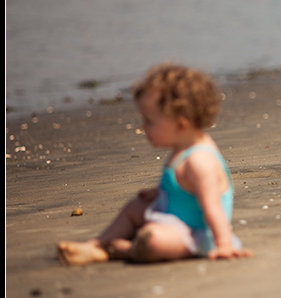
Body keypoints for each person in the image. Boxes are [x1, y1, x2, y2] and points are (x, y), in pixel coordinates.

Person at [57, 63, 252, 265]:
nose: (143, 128)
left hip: (195, 233)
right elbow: (186, 192)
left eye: (150, 122)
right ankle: (96, 245)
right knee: (134, 208)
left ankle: (126, 250)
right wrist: (159, 193)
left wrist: (224, 245)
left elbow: (212, 206)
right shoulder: (182, 149)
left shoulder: (200, 161)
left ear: (181, 123)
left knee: (153, 239)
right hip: (171, 216)